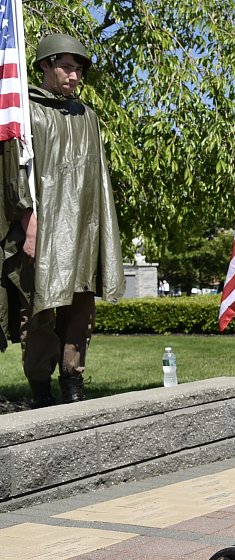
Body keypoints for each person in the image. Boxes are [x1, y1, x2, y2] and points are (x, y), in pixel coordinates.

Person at [0, 34, 124, 407]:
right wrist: (28, 221)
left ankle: (73, 383)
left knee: (81, 309)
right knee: (40, 309)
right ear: (45, 66)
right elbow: (13, 173)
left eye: (78, 69)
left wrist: (101, 232)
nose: (74, 76)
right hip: (42, 228)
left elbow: (96, 178)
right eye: (67, 67)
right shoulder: (26, 112)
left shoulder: (87, 116)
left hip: (83, 227)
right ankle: (40, 387)